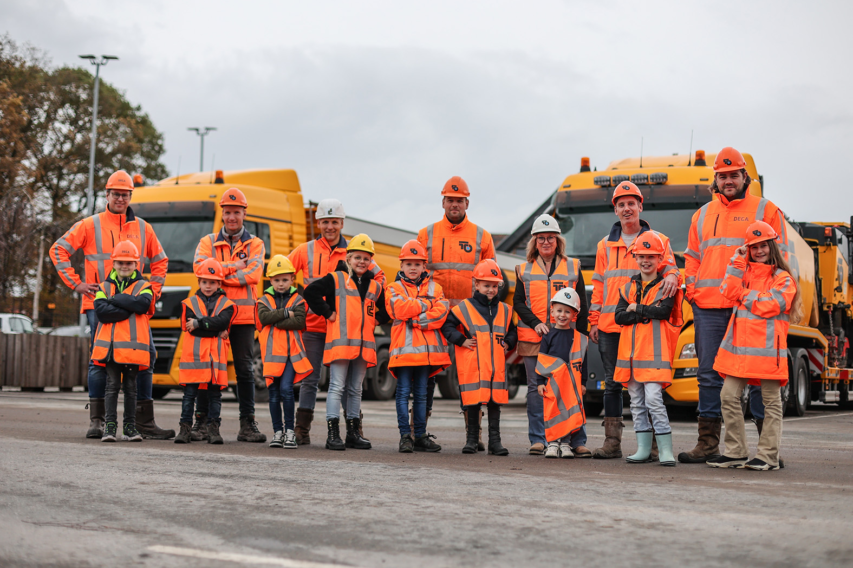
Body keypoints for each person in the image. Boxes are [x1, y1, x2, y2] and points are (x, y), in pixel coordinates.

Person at [681, 148, 790, 463]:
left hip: (750, 307)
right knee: (708, 374)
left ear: (745, 177)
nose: (728, 181)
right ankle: (708, 444)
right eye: (722, 176)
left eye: (733, 175)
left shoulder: (766, 209)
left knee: (757, 375)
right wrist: (692, 290)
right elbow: (692, 257)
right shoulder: (701, 215)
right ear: (715, 179)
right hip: (709, 306)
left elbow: (779, 258)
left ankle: (766, 451)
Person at [50, 170, 172, 440]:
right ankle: (98, 421)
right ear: (107, 195)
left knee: (146, 357)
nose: (120, 198)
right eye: (116, 194)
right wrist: (76, 284)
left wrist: (153, 292)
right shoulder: (89, 225)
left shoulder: (144, 228)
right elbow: (58, 249)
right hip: (100, 305)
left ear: (131, 196)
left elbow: (160, 261)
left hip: (136, 306)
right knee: (100, 361)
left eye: (125, 194)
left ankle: (143, 421)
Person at [589, 181, 681, 460]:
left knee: (648, 383)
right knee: (612, 384)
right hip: (611, 324)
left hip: (645, 327)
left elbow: (672, 270)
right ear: (615, 210)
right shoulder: (604, 245)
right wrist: (594, 320)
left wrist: (674, 275)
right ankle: (612, 442)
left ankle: (652, 447)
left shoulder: (659, 239)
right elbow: (598, 283)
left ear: (640, 206)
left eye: (631, 203)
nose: (627, 208)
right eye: (621, 204)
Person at [288, 199, 385, 445]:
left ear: (342, 223)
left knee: (346, 383)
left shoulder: (354, 250)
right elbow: (284, 274)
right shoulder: (305, 250)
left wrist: (368, 313)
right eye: (325, 222)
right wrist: (301, 306)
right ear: (318, 223)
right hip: (314, 326)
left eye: (334, 222)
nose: (329, 226)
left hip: (346, 331)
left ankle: (354, 430)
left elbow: (379, 280)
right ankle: (302, 430)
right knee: (310, 379)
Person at [707, 222, 799, 471]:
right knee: (728, 397)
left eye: (763, 246)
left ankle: (768, 456)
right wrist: (737, 261)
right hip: (740, 351)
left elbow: (771, 304)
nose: (759, 251)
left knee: (771, 402)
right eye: (753, 247)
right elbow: (727, 290)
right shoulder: (743, 271)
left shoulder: (783, 278)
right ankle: (735, 452)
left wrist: (743, 294)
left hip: (768, 352)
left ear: (772, 246)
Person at [417, 176, 497, 444]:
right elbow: (416, 275)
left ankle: (473, 434)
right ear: (443, 202)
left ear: (467, 203)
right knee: (428, 373)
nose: (455, 204)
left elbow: (491, 279)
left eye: (459, 200)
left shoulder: (482, 236)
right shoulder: (426, 234)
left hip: (468, 317)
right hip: (435, 315)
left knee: (469, 375)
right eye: (450, 200)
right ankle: (420, 431)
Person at [193, 187, 266, 443]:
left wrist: (217, 273)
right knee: (208, 369)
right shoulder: (207, 241)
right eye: (227, 212)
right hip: (213, 315)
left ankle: (247, 425)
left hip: (243, 318)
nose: (232, 217)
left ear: (244, 213)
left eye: (236, 212)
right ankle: (203, 423)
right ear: (222, 214)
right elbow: (199, 270)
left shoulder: (256, 244)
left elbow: (253, 275)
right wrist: (234, 266)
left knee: (244, 370)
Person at [304, 234, 389, 451]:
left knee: (355, 389)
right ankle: (333, 434)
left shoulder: (374, 286)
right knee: (336, 387)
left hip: (363, 346)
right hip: (341, 344)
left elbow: (387, 310)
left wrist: (375, 320)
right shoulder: (336, 278)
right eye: (357, 257)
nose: (362, 262)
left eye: (366, 258)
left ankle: (353, 433)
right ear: (348, 258)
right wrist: (327, 312)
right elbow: (310, 292)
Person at [514, 213, 589, 456]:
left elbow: (582, 303)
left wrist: (582, 337)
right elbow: (518, 302)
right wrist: (535, 323)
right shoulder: (523, 269)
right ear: (534, 242)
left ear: (558, 241)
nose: (546, 242)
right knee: (537, 390)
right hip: (533, 339)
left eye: (550, 237)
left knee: (571, 388)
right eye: (541, 238)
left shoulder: (573, 266)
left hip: (566, 338)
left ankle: (577, 441)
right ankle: (539, 439)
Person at [613, 232, 684, 467]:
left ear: (660, 259)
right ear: (635, 258)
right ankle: (643, 449)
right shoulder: (627, 287)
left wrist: (636, 308)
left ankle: (665, 451)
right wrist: (644, 312)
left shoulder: (667, 286)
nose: (646, 261)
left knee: (653, 400)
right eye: (642, 256)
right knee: (636, 403)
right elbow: (619, 317)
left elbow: (663, 312)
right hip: (631, 358)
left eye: (651, 256)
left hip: (654, 356)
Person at [441, 259, 517, 455]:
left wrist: (508, 342)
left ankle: (495, 442)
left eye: (494, 286)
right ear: (476, 284)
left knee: (494, 404)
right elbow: (447, 326)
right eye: (486, 285)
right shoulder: (464, 307)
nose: (491, 290)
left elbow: (513, 331)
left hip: (495, 368)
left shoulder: (505, 309)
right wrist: (461, 340)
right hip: (473, 367)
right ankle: (472, 440)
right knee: (473, 403)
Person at [386, 240, 451, 453]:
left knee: (422, 395)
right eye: (408, 264)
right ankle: (405, 436)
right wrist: (427, 303)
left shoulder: (436, 288)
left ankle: (420, 435)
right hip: (404, 354)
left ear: (424, 266)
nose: (413, 268)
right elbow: (398, 310)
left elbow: (442, 313)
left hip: (426, 355)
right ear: (401, 266)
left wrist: (415, 320)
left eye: (417, 264)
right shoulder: (393, 288)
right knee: (403, 394)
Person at [91, 241, 154, 443]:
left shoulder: (144, 286)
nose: (124, 266)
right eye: (120, 262)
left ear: (136, 264)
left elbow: (143, 305)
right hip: (110, 349)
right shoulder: (103, 286)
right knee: (111, 387)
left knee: (130, 388)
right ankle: (110, 427)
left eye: (129, 263)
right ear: (114, 263)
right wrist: (129, 306)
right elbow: (102, 313)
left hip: (132, 349)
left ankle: (129, 427)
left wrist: (115, 299)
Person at [174, 259, 235, 445]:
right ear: (199, 282)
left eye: (213, 282)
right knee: (189, 396)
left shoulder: (227, 304)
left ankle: (213, 430)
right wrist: (216, 329)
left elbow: (222, 322)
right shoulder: (189, 303)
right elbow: (191, 328)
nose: (208, 286)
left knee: (215, 397)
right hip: (194, 360)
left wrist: (199, 323)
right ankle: (184, 429)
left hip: (214, 361)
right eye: (205, 282)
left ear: (219, 283)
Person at [256, 255, 313, 449]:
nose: (281, 284)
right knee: (273, 393)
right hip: (272, 355)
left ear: (292, 279)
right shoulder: (263, 300)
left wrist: (276, 320)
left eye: (285, 279)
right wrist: (286, 313)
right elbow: (264, 318)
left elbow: (299, 321)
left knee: (286, 390)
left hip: (291, 355)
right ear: (270, 281)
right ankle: (277, 432)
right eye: (277, 280)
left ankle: (290, 432)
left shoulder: (299, 300)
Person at [534, 288, 589, 459]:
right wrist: (540, 382)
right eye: (559, 311)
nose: (562, 315)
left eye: (567, 311)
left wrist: (583, 383)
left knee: (569, 413)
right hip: (552, 383)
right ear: (552, 312)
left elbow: (584, 361)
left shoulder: (579, 337)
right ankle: (552, 443)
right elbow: (542, 361)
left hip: (572, 384)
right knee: (553, 412)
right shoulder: (548, 335)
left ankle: (565, 443)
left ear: (574, 315)